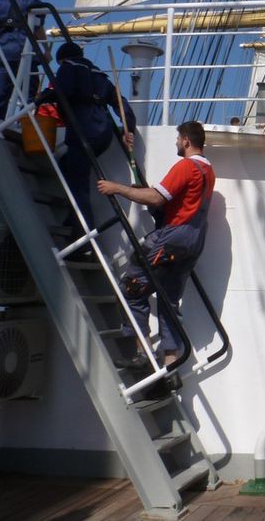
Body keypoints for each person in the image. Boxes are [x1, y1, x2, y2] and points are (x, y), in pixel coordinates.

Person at [98, 121, 214, 367]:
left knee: (131, 287)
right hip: (194, 240)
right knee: (168, 299)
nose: (175, 143)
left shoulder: (186, 166)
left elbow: (156, 197)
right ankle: (170, 362)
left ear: (185, 141)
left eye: (177, 139)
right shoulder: (208, 170)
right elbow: (178, 202)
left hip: (172, 238)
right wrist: (141, 191)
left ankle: (144, 355)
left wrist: (116, 188)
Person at [39, 42, 136, 238]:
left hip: (83, 129)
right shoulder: (99, 75)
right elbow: (120, 102)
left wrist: (41, 98)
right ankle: (73, 218)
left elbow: (62, 92)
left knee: (79, 183)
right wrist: (129, 129)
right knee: (67, 165)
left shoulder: (68, 68)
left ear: (63, 59)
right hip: (104, 133)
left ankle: (83, 233)